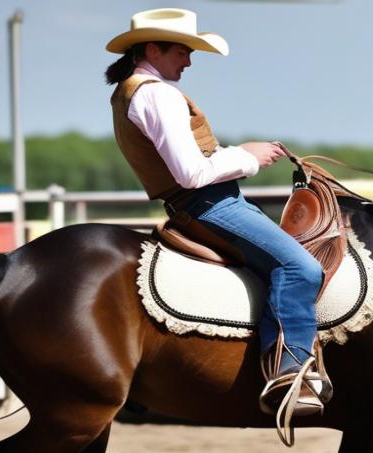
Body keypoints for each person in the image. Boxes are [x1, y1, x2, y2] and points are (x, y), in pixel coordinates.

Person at [105, 8, 327, 418]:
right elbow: (191, 173)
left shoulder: (131, 91)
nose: (188, 62)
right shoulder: (157, 94)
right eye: (182, 52)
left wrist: (244, 153)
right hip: (209, 203)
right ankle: (289, 372)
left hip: (203, 202)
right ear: (153, 48)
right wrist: (248, 157)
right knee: (301, 268)